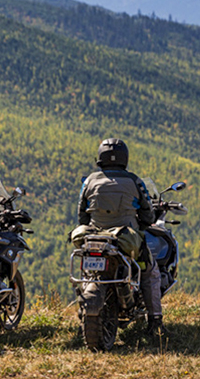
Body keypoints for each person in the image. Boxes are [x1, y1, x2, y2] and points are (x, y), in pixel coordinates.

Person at [77, 138, 166, 336]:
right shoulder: (134, 181)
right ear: (124, 158)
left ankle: (82, 315)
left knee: (87, 273)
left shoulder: (89, 181)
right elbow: (147, 212)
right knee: (150, 272)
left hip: (96, 237)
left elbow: (82, 214)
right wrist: (144, 223)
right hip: (126, 239)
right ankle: (155, 321)